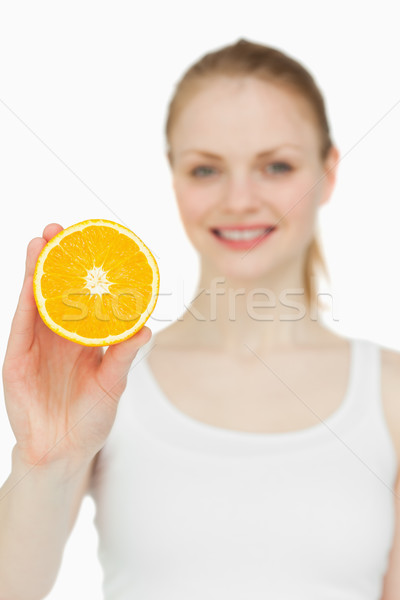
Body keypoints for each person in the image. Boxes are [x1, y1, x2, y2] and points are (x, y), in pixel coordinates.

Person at [1, 38, 400, 600]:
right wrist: (43, 460)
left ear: (328, 172)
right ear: (174, 176)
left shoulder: (390, 395)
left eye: (277, 165)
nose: (239, 199)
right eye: (206, 169)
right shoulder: (108, 386)